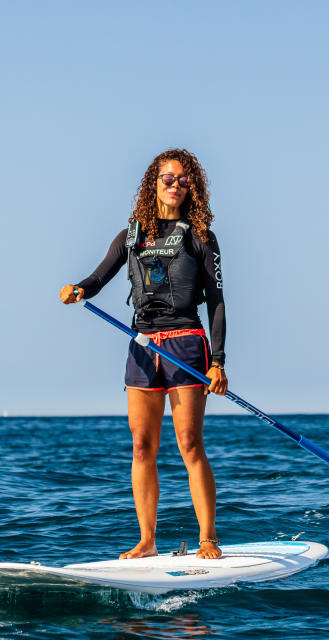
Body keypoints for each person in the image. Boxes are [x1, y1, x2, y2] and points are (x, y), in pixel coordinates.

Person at [60, 148, 228, 558]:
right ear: (153, 183)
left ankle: (208, 537)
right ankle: (147, 541)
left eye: (184, 180)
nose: (175, 185)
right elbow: (99, 277)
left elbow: (217, 301)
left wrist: (218, 361)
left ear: (193, 188)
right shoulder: (130, 236)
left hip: (186, 343)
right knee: (141, 446)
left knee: (189, 442)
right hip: (141, 346)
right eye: (168, 178)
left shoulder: (200, 236)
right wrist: (78, 288)